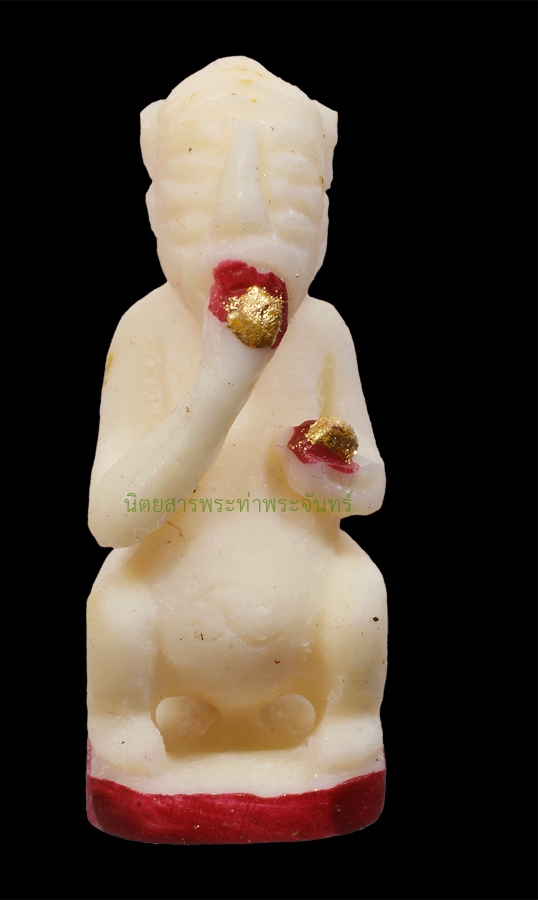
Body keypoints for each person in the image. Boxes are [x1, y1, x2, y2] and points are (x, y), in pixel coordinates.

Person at [87, 57, 386, 822]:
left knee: (360, 592)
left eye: (289, 199)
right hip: (172, 616)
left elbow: (369, 487)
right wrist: (220, 387)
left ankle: (347, 722)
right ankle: (120, 726)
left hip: (301, 603)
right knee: (117, 601)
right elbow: (114, 517)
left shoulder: (323, 331)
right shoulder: (146, 328)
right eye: (200, 196)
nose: (244, 216)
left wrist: (329, 467)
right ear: (156, 209)